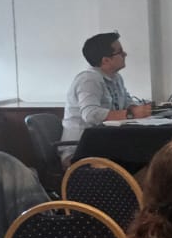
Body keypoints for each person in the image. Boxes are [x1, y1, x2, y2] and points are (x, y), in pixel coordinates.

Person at [61, 32, 150, 161]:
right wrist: (131, 114)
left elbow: (126, 102)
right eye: (120, 52)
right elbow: (91, 114)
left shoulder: (116, 78)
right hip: (80, 150)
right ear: (106, 60)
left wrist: (143, 109)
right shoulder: (88, 79)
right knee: (145, 154)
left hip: (104, 142)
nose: (125, 54)